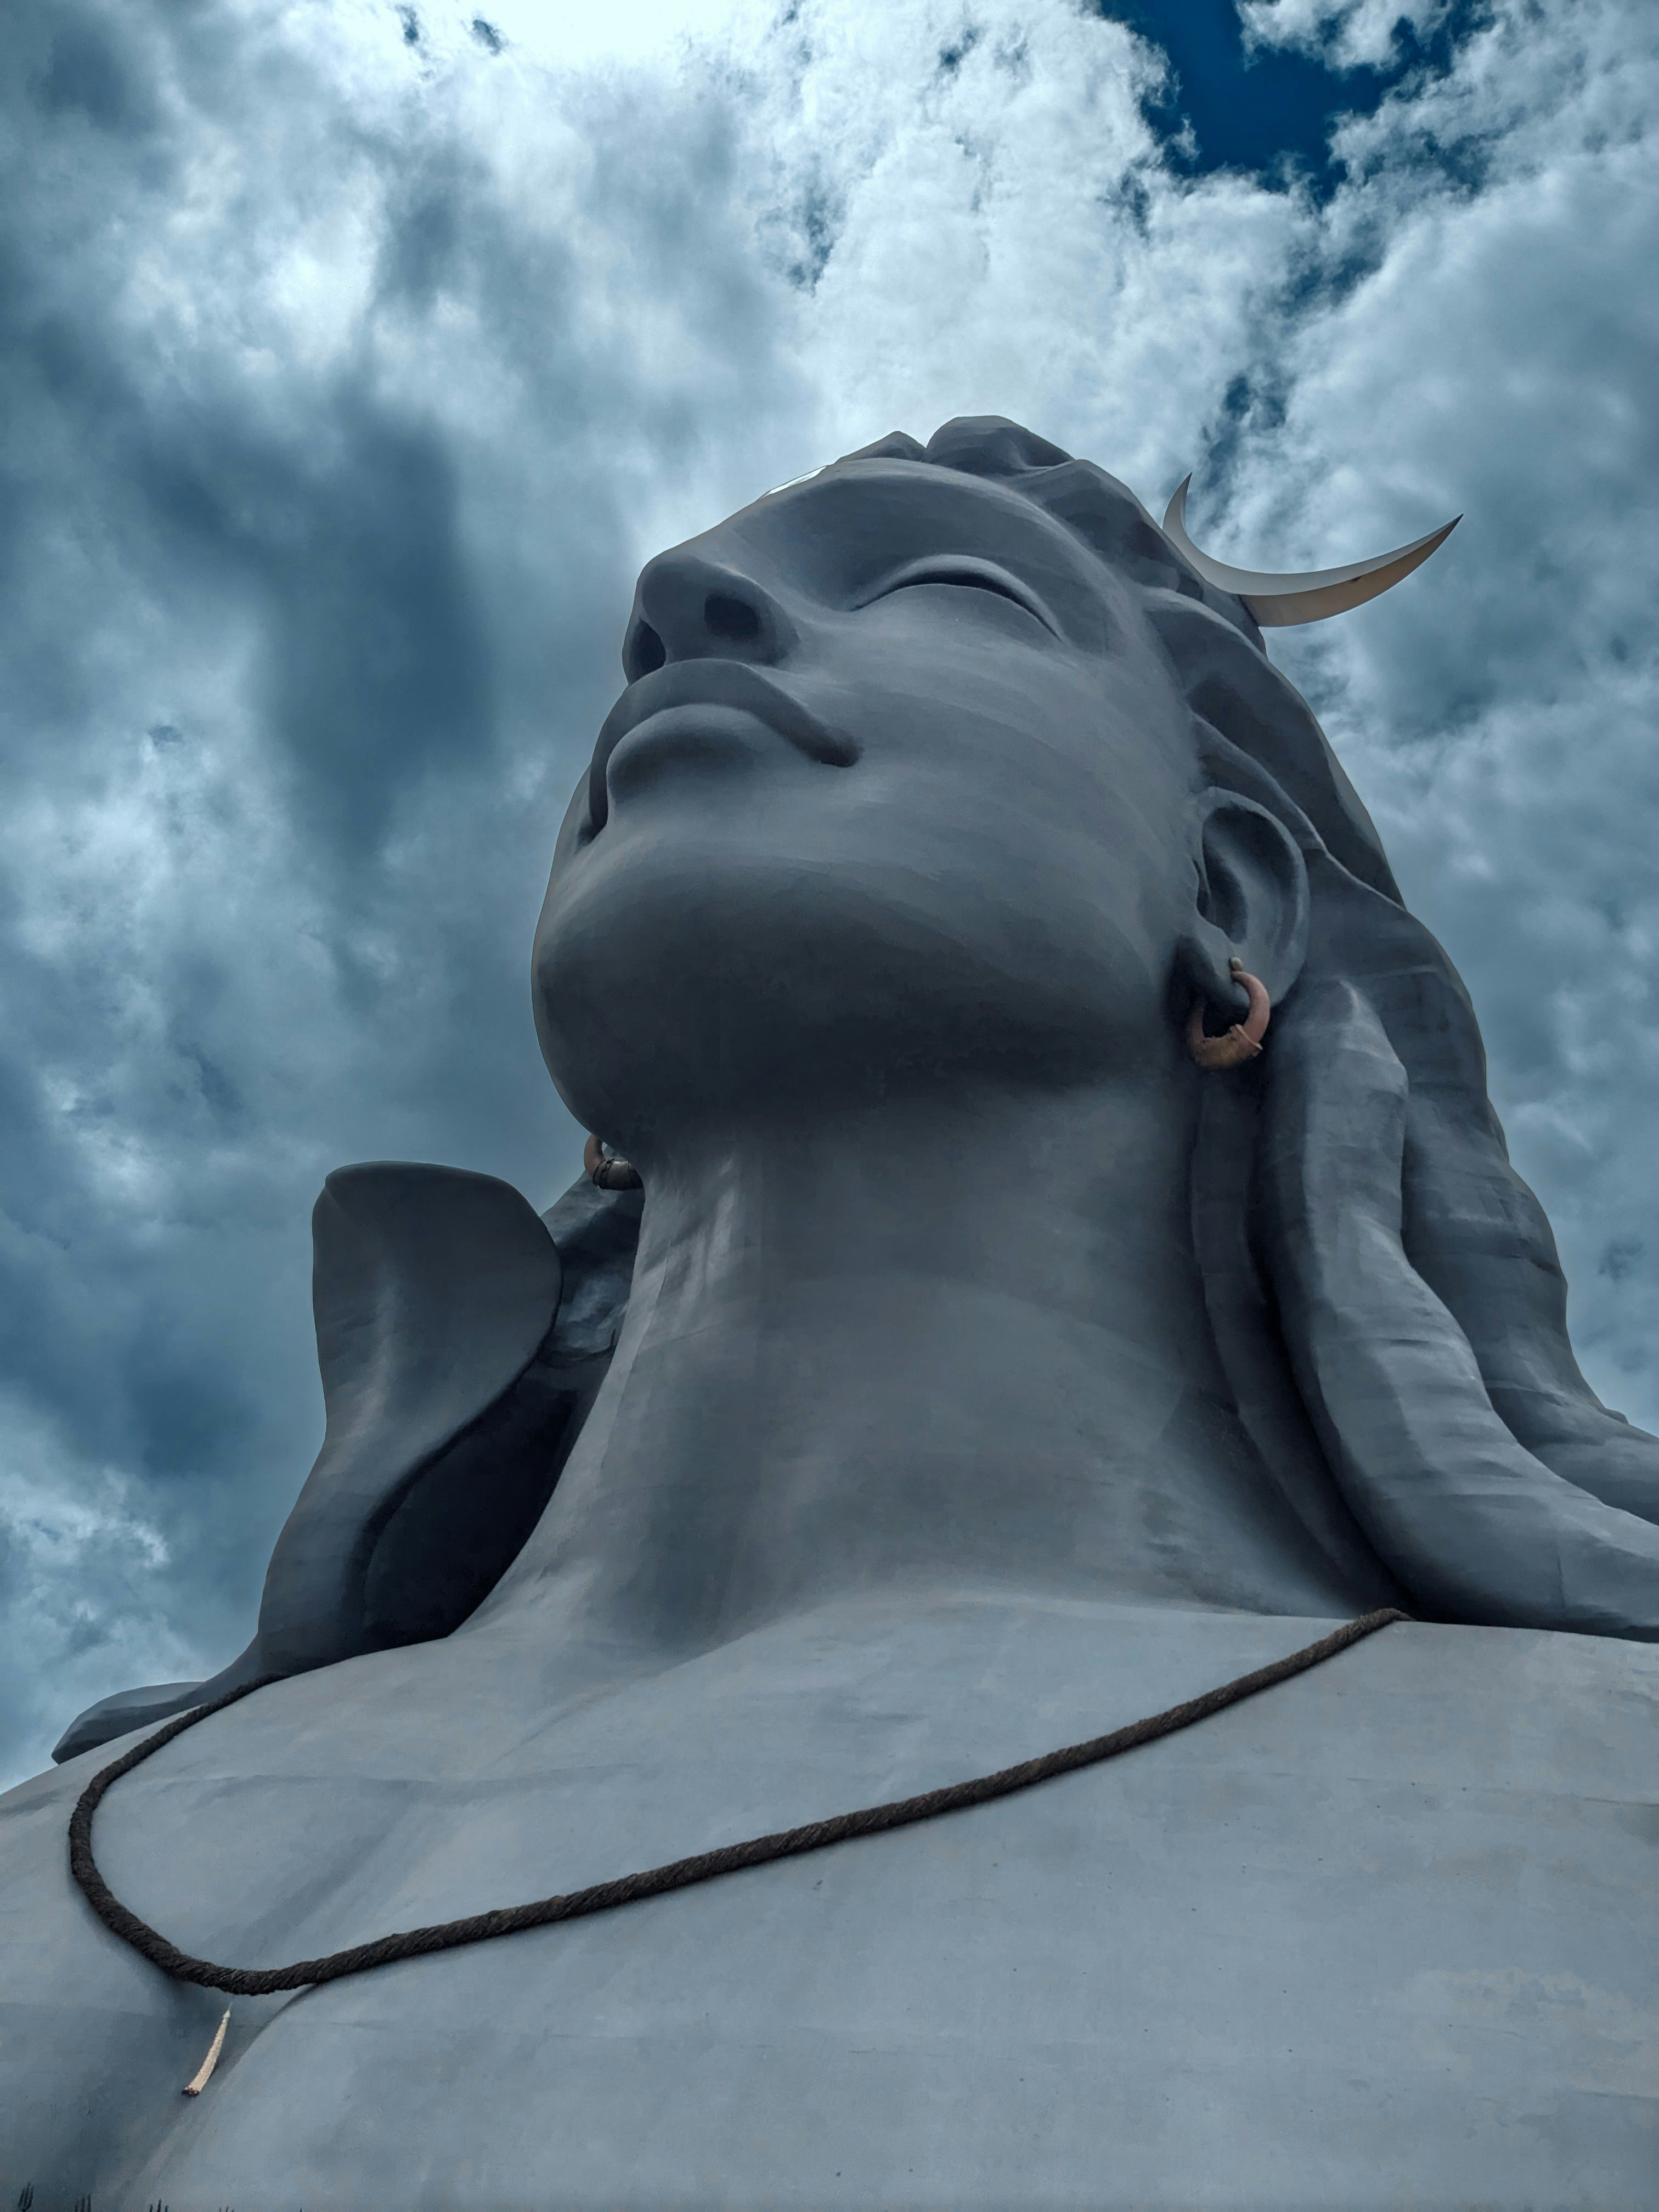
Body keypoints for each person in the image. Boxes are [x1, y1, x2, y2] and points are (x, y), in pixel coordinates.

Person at [4, 419, 1655, 2208]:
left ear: (1225, 891)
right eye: (686, 596)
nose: (671, 603)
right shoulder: (91, 1807)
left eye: (947, 584)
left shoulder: (1596, 1838)